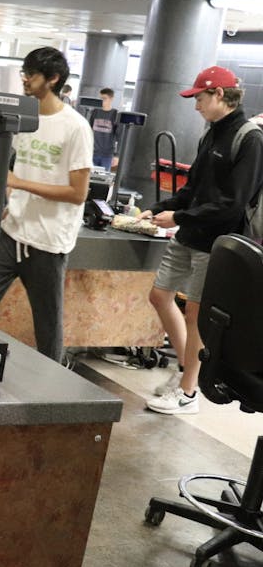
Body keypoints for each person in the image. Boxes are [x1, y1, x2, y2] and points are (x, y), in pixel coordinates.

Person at [143, 66, 263, 415]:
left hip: (217, 242)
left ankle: (188, 392)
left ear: (219, 96)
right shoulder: (210, 134)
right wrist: (160, 209)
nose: (195, 105)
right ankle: (186, 367)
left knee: (196, 314)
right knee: (160, 295)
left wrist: (180, 217)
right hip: (189, 234)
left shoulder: (249, 139)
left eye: (199, 98)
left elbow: (233, 203)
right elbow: (195, 189)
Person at [0, 46, 93, 362]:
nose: (26, 80)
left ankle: (52, 393)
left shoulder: (75, 127)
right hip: (12, 231)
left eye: (31, 75)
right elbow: (13, 169)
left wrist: (19, 184)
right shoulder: (24, 118)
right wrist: (11, 196)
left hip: (48, 242)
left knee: (48, 328)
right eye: (25, 73)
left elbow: (78, 193)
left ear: (53, 79)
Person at [90, 87, 118, 170]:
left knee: (103, 180)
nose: (102, 101)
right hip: (92, 153)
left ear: (111, 99)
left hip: (107, 155)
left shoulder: (115, 114)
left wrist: (116, 155)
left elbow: (119, 136)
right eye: (100, 98)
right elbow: (89, 130)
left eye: (104, 98)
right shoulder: (95, 112)